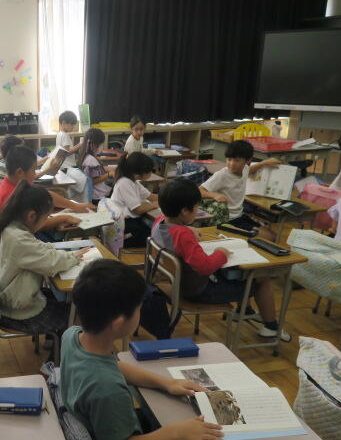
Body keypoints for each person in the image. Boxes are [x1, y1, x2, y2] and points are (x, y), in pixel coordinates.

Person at [61, 259, 225, 440]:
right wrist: (177, 432)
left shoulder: (72, 336)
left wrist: (167, 382)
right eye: (138, 308)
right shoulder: (107, 389)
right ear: (118, 323)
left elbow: (113, 366)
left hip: (99, 428)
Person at [153, 178, 290, 341]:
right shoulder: (183, 235)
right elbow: (205, 267)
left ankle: (245, 311)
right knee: (261, 278)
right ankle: (271, 327)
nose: (198, 210)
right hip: (199, 291)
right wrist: (221, 253)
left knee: (238, 273)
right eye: (196, 207)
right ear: (184, 211)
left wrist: (188, 229)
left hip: (178, 283)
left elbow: (176, 235)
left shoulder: (159, 222)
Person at [0, 182, 87, 337]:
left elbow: (36, 248)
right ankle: (63, 349)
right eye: (46, 217)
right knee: (77, 315)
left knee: (60, 299)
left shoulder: (12, 228)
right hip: (18, 313)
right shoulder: (19, 239)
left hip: (11, 300)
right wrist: (74, 256)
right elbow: (52, 263)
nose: (46, 220)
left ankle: (53, 342)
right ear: (31, 216)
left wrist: (54, 249)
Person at [199, 140, 280, 240]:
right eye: (229, 159)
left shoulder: (245, 168)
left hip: (240, 216)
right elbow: (199, 190)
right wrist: (214, 195)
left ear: (247, 161)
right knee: (269, 237)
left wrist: (264, 163)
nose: (232, 164)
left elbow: (250, 169)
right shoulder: (221, 175)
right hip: (226, 220)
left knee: (273, 236)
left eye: (237, 160)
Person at [0, 145, 91, 223]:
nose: (35, 174)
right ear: (20, 172)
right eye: (33, 170)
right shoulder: (12, 195)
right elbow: (37, 224)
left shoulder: (15, 183)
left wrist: (75, 206)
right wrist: (64, 218)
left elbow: (46, 195)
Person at [110, 152, 158, 247]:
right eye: (149, 171)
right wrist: (154, 205)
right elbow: (137, 209)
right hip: (125, 226)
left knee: (153, 232)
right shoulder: (124, 183)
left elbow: (150, 196)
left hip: (130, 222)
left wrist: (167, 197)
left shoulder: (134, 182)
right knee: (154, 239)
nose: (151, 173)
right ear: (138, 174)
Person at [78, 128, 115, 203]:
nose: (102, 146)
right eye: (101, 143)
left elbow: (96, 170)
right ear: (94, 144)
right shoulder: (91, 160)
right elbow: (93, 181)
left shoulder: (85, 156)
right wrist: (109, 174)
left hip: (95, 194)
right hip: (97, 197)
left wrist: (109, 168)